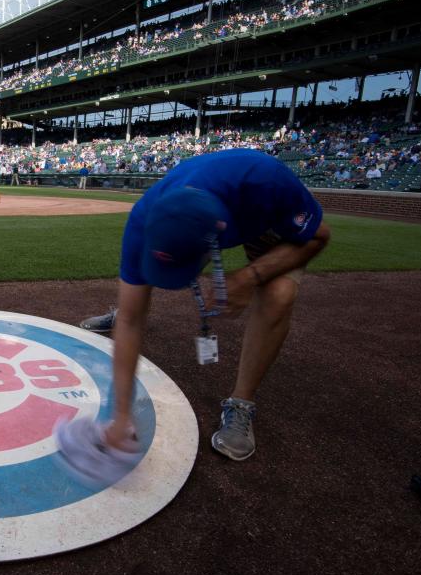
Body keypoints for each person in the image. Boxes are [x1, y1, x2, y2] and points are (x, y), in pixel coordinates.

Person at [70, 149, 331, 466]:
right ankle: (118, 307)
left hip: (264, 216)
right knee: (132, 306)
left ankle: (241, 403)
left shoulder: (267, 181)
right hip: (212, 211)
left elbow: (318, 236)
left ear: (214, 250)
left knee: (278, 295)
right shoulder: (144, 218)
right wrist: (121, 415)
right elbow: (132, 321)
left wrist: (250, 277)